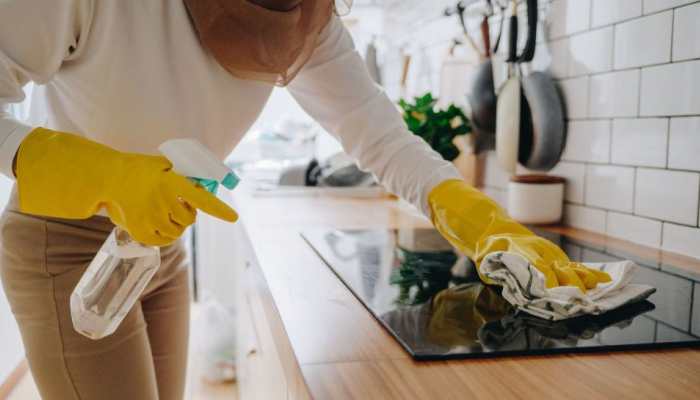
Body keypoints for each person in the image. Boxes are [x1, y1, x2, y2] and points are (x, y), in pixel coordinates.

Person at [0, 1, 609, 399]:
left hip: (159, 241)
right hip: (66, 242)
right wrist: (101, 174)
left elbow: (382, 138)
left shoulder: (303, 18)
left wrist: (479, 218)